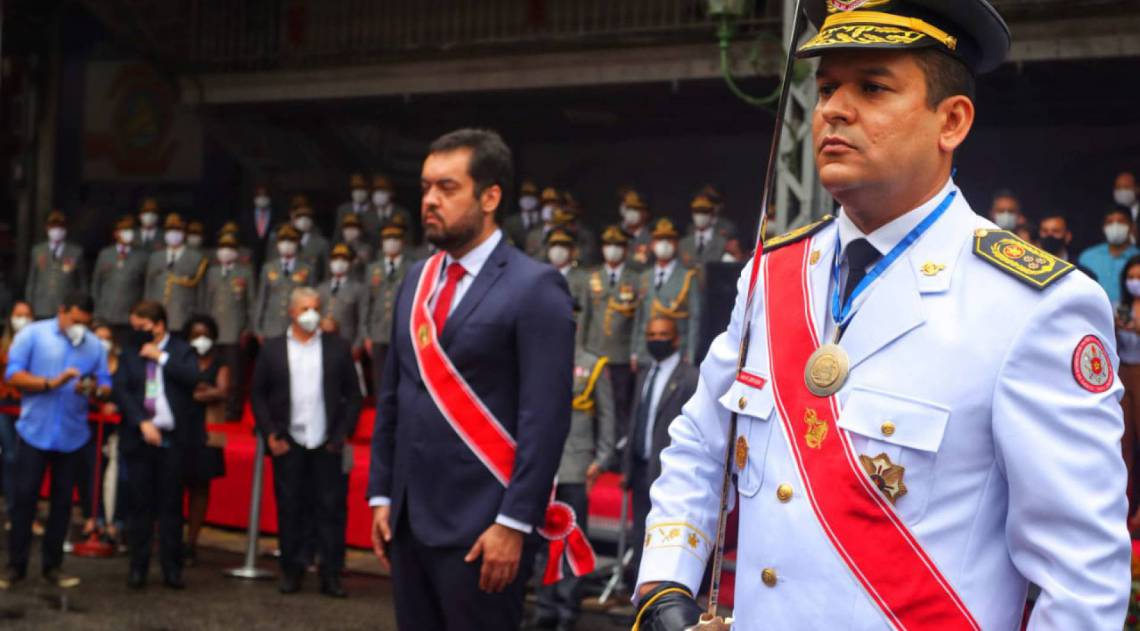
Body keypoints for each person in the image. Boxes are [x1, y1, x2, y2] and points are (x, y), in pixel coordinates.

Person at [632, 2, 1131, 628]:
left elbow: (1081, 577)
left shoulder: (1033, 305)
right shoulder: (772, 275)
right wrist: (666, 581)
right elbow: (701, 445)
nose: (835, 109)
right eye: (827, 88)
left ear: (951, 121)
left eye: (872, 87)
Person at [368, 128, 575, 630]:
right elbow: (394, 396)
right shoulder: (416, 281)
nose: (430, 201)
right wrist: (381, 496)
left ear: (490, 197)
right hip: (409, 523)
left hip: (484, 529)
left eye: (446, 188)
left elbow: (544, 420)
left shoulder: (535, 287)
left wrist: (513, 523)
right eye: (425, 188)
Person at [251, 287, 361, 597]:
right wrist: (270, 433)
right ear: (291, 312)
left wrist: (341, 435)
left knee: (331, 509)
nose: (311, 315)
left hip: (327, 442)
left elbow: (353, 396)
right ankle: (291, 570)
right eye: (304, 309)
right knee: (290, 508)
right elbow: (258, 394)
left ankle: (331, 574)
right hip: (289, 441)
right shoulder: (272, 349)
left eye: (315, 308)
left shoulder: (337, 347)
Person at [1, 292, 110, 590]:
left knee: (62, 504)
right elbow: (13, 375)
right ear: (62, 311)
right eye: (75, 321)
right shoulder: (34, 335)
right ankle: (15, 566)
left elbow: (105, 383)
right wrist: (51, 382)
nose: (79, 328)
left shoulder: (94, 346)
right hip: (34, 430)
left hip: (72, 434)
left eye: (85, 324)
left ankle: (53, 566)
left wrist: (95, 390)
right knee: (24, 500)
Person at [114, 300, 203, 590]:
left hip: (173, 440)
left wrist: (160, 357)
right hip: (140, 438)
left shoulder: (181, 350)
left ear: (159, 325)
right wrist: (141, 421)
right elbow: (122, 391)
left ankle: (171, 569)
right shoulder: (130, 353)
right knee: (140, 507)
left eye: (143, 328)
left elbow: (192, 378)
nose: (137, 333)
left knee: (171, 507)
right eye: (134, 327)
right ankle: (137, 567)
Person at [532, 341, 616, 631]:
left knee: (572, 541)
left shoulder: (592, 365)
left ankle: (567, 610)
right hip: (543, 466)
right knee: (543, 543)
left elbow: (606, 416)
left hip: (577, 468)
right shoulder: (541, 358)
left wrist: (602, 459)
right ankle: (545, 609)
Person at [621, 316, 699, 587]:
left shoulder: (690, 377)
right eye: (651, 334)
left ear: (676, 339)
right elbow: (635, 420)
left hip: (671, 473)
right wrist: (627, 467)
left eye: (663, 334)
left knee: (665, 538)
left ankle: (663, 596)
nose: (656, 340)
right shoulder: (644, 372)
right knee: (639, 532)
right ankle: (638, 596)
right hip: (642, 466)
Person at [581, 226, 641, 445]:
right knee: (593, 402)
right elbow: (585, 317)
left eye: (617, 246)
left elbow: (638, 320)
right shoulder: (592, 277)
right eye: (608, 245)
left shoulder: (635, 278)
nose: (612, 250)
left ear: (626, 249)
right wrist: (581, 351)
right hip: (594, 352)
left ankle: (618, 447)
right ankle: (596, 446)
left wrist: (635, 351)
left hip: (622, 354)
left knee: (620, 402)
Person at [180, 314, 230, 565]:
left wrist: (197, 393)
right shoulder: (181, 359)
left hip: (207, 432)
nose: (201, 340)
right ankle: (173, 538)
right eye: (196, 335)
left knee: (200, 487)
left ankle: (192, 542)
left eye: (206, 335)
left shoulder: (219, 362)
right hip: (181, 430)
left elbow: (221, 390)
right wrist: (198, 392)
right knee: (175, 485)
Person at [632, 218, 701, 368]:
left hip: (677, 350)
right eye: (658, 239)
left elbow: (694, 319)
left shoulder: (688, 277)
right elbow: (639, 317)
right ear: (651, 244)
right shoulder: (644, 277)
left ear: (676, 244)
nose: (663, 244)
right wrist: (634, 352)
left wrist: (690, 353)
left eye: (668, 239)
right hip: (646, 351)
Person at [202, 232, 255, 420]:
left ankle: (233, 410)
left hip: (234, 330)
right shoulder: (212, 272)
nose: (225, 252)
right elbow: (206, 302)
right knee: (212, 370)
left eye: (230, 249)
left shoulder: (245, 272)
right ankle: (216, 405)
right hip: (213, 331)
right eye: (222, 248)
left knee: (235, 374)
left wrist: (248, 328)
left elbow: (251, 304)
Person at [364, 219, 411, 395]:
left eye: (395, 238)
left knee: (401, 373)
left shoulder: (410, 267)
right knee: (379, 376)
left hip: (400, 329)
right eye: (387, 239)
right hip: (378, 331)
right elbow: (366, 303)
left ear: (402, 242)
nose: (391, 242)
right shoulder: (373, 269)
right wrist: (365, 333)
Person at [144, 213, 209, 334]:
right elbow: (149, 286)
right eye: (170, 230)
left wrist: (199, 316)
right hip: (158, 317)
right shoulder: (155, 257)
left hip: (184, 316)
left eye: (178, 230)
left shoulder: (196, 258)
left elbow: (201, 291)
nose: (173, 234)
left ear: (184, 233)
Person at [92, 215, 149, 343]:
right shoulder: (105, 254)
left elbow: (146, 286)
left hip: (130, 315)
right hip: (106, 314)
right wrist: (97, 313)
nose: (128, 234)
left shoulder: (142, 256)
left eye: (130, 230)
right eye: (124, 230)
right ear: (116, 233)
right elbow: (96, 284)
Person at [254, 224, 316, 341]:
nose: (287, 245)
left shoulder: (307, 269)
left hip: (297, 325)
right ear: (277, 244)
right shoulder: (268, 268)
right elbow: (261, 299)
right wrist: (258, 327)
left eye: (291, 241)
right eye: (282, 241)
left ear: (297, 243)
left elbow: (311, 301)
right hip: (271, 326)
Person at [0, 302, 32, 527]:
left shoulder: (37, 344)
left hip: (29, 406)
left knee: (27, 461)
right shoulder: (3, 346)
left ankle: (26, 515)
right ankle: (13, 511)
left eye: (26, 315)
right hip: (4, 406)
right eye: (17, 315)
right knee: (10, 457)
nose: (20, 319)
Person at [26, 211, 88, 320]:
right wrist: (29, 306)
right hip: (40, 307)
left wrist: (81, 306)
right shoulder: (38, 251)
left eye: (60, 227)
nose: (57, 231)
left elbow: (82, 283)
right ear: (47, 229)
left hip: (66, 307)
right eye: (53, 227)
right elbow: (32, 281)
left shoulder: (76, 252)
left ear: (65, 229)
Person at [1116, 255, 1140, 530]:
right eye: (1131, 277)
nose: (1135, 283)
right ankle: (1123, 509)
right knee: (1124, 444)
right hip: (1124, 373)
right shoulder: (1119, 306)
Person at [1079, 207, 1139, 305]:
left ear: (1132, 226)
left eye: (1121, 221)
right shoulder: (1087, 257)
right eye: (1109, 222)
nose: (1115, 226)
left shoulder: (1137, 257)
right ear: (1103, 227)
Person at [318, 243, 369, 356]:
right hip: (321, 343)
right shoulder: (321, 288)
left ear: (351, 263)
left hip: (347, 343)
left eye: (344, 260)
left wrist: (358, 345)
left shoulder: (359, 289)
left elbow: (363, 320)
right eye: (335, 259)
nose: (339, 263)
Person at [267, 197, 330, 284]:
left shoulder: (322, 243)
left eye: (307, 217)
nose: (303, 220)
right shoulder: (281, 238)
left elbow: (326, 272)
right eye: (299, 217)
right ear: (293, 218)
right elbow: (271, 265)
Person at [679, 194, 728, 270]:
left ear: (712, 215)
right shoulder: (683, 243)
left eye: (704, 212)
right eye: (697, 212)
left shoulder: (722, 242)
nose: (700, 215)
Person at [240, 183, 277, 271]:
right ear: (254, 197)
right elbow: (242, 236)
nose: (262, 198)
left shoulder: (277, 215)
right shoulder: (246, 215)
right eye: (259, 195)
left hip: (271, 256)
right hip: (250, 257)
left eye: (265, 195)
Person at [618, 190, 652, 268]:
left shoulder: (650, 237)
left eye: (636, 209)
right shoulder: (617, 232)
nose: (631, 212)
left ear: (645, 213)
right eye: (628, 209)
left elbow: (640, 262)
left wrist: (622, 253)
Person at [503, 179, 541, 247]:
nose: (528, 198)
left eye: (532, 194)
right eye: (525, 194)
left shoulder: (544, 219)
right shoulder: (510, 222)